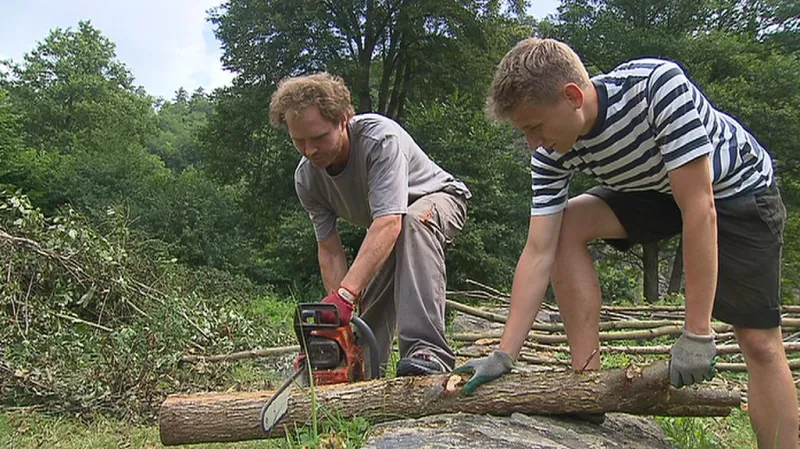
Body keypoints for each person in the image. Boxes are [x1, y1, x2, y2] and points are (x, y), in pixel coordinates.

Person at [454, 38, 796, 448]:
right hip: (656, 189)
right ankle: (588, 383)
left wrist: (697, 333)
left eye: (535, 128)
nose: (533, 143)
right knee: (564, 226)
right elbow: (539, 249)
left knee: (758, 342)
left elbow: (700, 209)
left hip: (732, 188)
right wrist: (504, 354)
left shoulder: (656, 88)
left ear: (572, 96)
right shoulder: (551, 152)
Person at [269, 73, 471, 376]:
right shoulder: (306, 179)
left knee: (413, 223)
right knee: (366, 285)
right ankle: (360, 366)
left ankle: (427, 351)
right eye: (299, 141)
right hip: (389, 223)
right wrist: (337, 317)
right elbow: (329, 249)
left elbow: (390, 222)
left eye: (319, 137)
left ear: (344, 119)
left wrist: (345, 295)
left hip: (437, 199)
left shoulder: (379, 139)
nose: (310, 150)